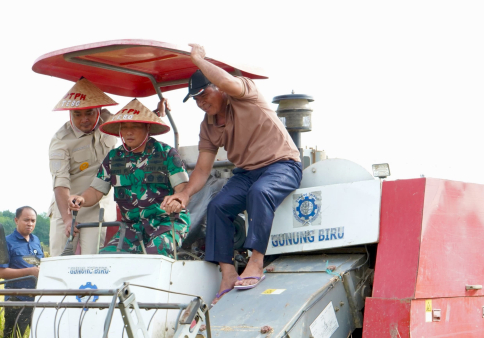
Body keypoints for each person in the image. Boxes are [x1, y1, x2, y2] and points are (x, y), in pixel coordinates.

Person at [162, 43, 303, 305]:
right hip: (247, 172)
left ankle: (256, 261)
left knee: (260, 192)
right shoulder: (208, 126)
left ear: (219, 88)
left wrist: (198, 60)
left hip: (282, 165)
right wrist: (185, 194)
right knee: (217, 206)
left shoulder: (245, 94)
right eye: (196, 100)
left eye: (204, 94)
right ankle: (227, 273)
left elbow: (228, 81)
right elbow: (202, 169)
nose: (201, 103)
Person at [69, 99, 189, 257]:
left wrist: (177, 201)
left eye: (135, 127)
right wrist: (81, 199)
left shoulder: (166, 153)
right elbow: (96, 191)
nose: (128, 132)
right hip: (131, 228)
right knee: (107, 259)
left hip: (166, 224)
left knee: (154, 256)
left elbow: (182, 189)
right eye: (124, 127)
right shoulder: (114, 157)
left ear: (147, 128)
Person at [48, 78, 119, 256]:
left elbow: (135, 125)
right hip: (67, 206)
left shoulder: (110, 122)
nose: (84, 119)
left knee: (93, 262)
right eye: (77, 114)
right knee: (60, 260)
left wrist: (157, 112)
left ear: (99, 110)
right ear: (70, 114)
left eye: (89, 113)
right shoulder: (60, 141)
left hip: (99, 207)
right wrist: (67, 219)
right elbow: (60, 183)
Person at [0, 206, 44, 338]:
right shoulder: (6, 242)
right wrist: (29, 271)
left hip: (38, 298)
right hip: (17, 299)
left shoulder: (36, 240)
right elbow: (0, 272)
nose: (30, 224)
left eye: (33, 220)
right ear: (16, 220)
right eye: (26, 220)